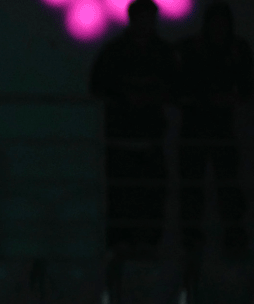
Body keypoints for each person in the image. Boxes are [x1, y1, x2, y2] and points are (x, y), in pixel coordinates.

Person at [89, 0, 179, 258]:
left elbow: (176, 87)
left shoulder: (121, 51)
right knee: (127, 197)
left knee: (147, 198)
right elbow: (97, 85)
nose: (146, 24)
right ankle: (129, 247)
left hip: (143, 138)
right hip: (127, 138)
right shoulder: (151, 52)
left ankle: (140, 246)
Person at [176, 1, 253, 261]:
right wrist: (215, 98)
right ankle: (202, 239)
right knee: (198, 187)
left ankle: (227, 238)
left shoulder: (235, 49)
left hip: (219, 128)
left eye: (223, 23)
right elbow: (182, 83)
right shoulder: (201, 48)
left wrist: (232, 97)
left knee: (226, 185)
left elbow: (247, 84)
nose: (219, 28)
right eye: (216, 23)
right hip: (201, 127)